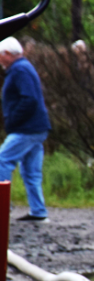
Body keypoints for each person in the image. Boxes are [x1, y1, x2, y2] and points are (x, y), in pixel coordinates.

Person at [0, 37, 52, 223]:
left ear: (7, 54)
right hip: (37, 127)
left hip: (27, 128)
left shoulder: (19, 70)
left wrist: (13, 120)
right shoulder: (23, 67)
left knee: (2, 160)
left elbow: (29, 99)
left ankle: (3, 206)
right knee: (31, 172)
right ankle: (38, 211)